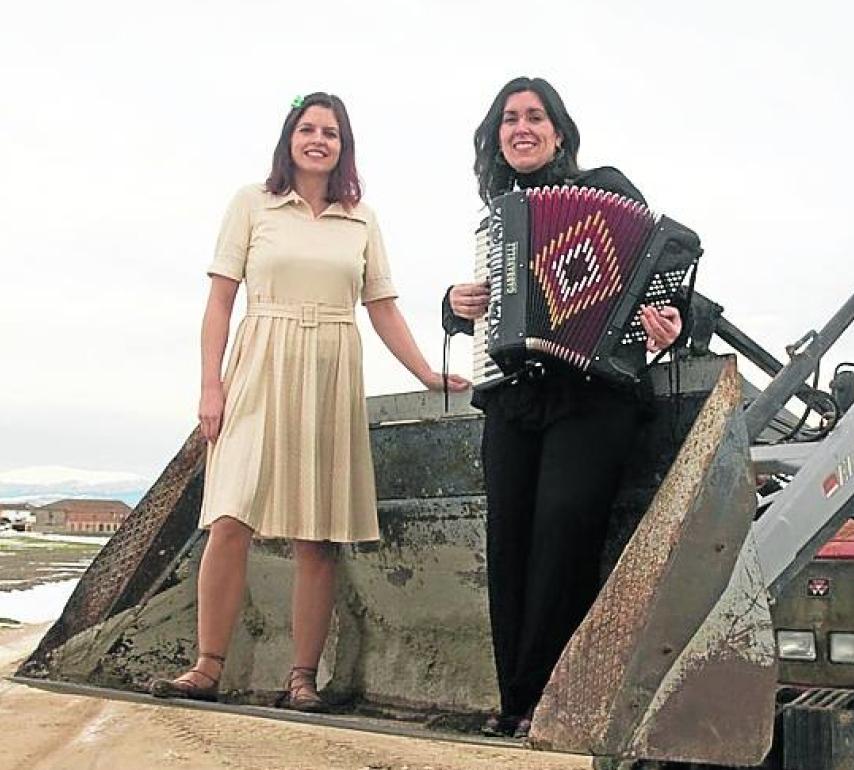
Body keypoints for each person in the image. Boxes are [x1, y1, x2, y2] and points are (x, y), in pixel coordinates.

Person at [150, 92, 469, 712]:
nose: (318, 139)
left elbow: (382, 309)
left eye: (330, 131)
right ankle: (207, 666)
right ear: (289, 139)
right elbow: (219, 302)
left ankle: (302, 678)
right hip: (259, 359)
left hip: (330, 367)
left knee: (317, 533)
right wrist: (209, 385)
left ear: (343, 146)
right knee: (230, 515)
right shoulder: (252, 203)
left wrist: (428, 372)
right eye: (307, 128)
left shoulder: (362, 219)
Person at [443, 77, 684, 738]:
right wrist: (455, 304)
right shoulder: (498, 215)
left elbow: (660, 277)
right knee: (509, 543)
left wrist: (669, 320)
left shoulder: (608, 187)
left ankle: (551, 700)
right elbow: (482, 305)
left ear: (558, 130)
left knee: (562, 532)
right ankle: (515, 700)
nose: (522, 127)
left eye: (535, 116)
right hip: (515, 396)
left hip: (593, 394)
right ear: (497, 136)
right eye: (509, 119)